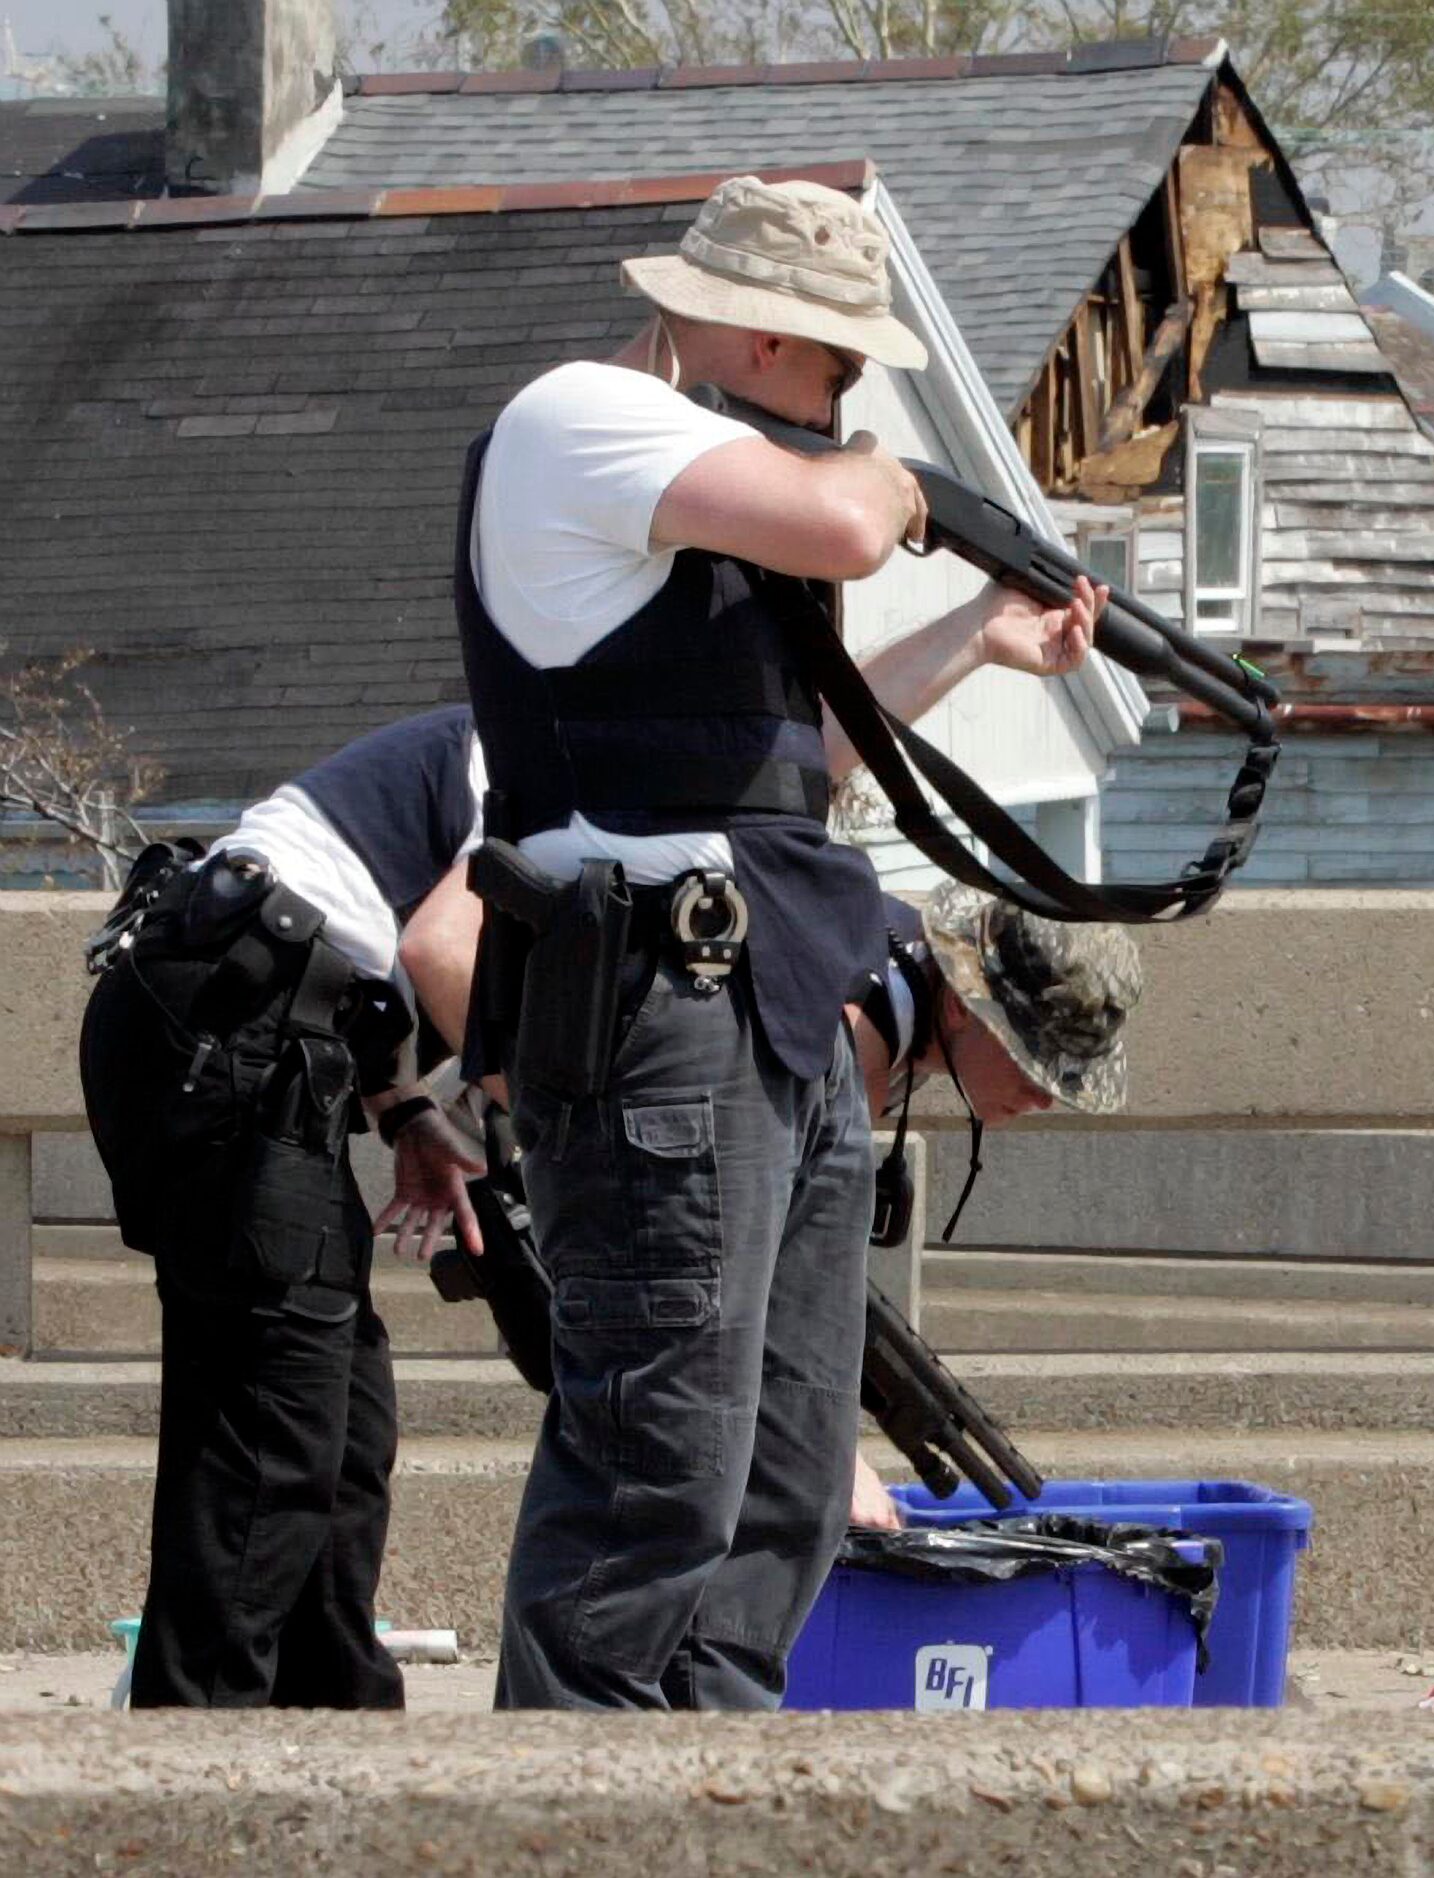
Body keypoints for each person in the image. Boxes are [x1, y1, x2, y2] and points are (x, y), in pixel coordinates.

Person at [459, 173, 1101, 1710]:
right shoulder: (577, 417)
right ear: (755, 337)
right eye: (834, 366)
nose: (847, 396)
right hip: (656, 1004)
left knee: (786, 1475)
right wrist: (899, 482)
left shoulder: (699, 487)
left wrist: (982, 636)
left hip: (773, 1001)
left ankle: (713, 1793)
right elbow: (843, 519)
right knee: (654, 1478)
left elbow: (789, 762)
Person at [78, 706, 496, 1707]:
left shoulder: (521, 747)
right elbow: (442, 949)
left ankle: (331, 1718)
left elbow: (358, 935)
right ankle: (202, 1770)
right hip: (229, 1028)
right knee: (271, 1427)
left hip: (246, 1026)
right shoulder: (539, 744)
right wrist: (565, 1128)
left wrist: (402, 1116)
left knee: (341, 1415)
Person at [838, 884, 1142, 1530]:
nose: (1045, 1096)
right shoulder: (851, 1031)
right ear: (958, 1006)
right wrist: (828, 1455)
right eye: (1033, 1061)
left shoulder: (898, 984)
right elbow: (762, 1268)